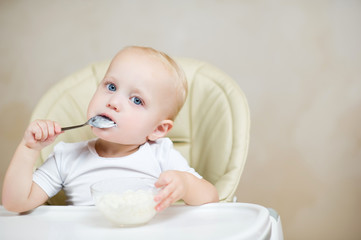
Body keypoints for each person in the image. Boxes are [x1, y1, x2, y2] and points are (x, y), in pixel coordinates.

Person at [2, 46, 219, 213]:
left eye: (136, 100)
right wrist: (29, 149)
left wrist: (186, 185)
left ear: (158, 129)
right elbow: (15, 204)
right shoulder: (66, 157)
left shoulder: (160, 154)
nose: (114, 101)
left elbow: (211, 198)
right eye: (111, 87)